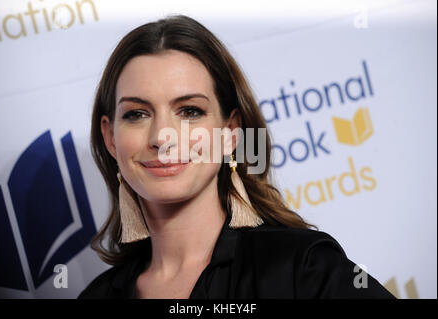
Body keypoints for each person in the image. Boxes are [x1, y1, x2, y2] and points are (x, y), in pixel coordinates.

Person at [78, 15, 395, 299]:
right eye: (137, 114)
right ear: (110, 138)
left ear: (230, 132)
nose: (162, 137)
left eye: (190, 111)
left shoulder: (303, 268)